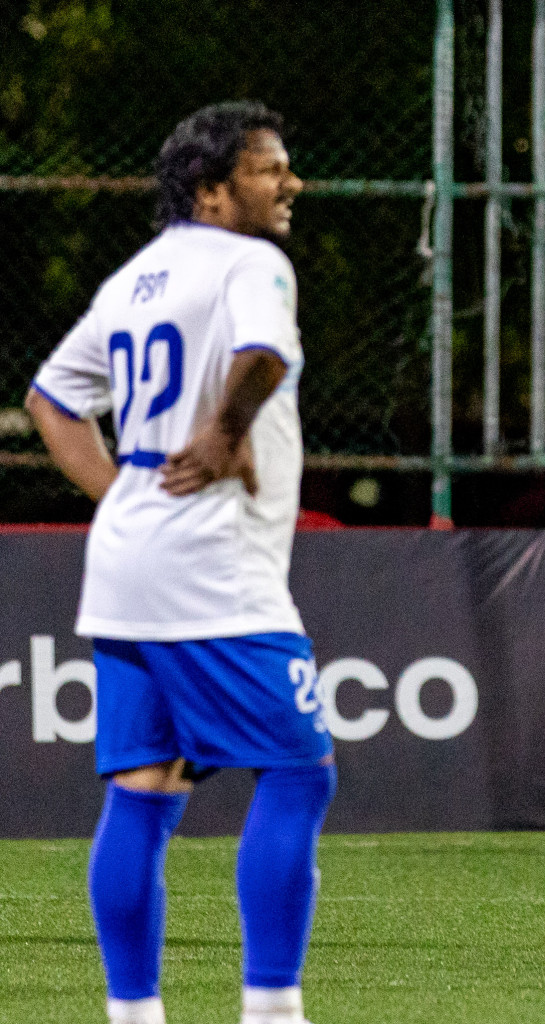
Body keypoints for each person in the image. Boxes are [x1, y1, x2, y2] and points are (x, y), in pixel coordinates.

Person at [25, 102, 332, 1024]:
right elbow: (264, 352)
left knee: (144, 789)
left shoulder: (135, 278)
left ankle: (132, 1014)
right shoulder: (251, 263)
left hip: (125, 571)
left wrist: (120, 490)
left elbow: (50, 400)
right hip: (214, 568)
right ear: (211, 189)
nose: (290, 185)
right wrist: (225, 427)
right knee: (298, 773)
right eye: (269, 170)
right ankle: (273, 1011)